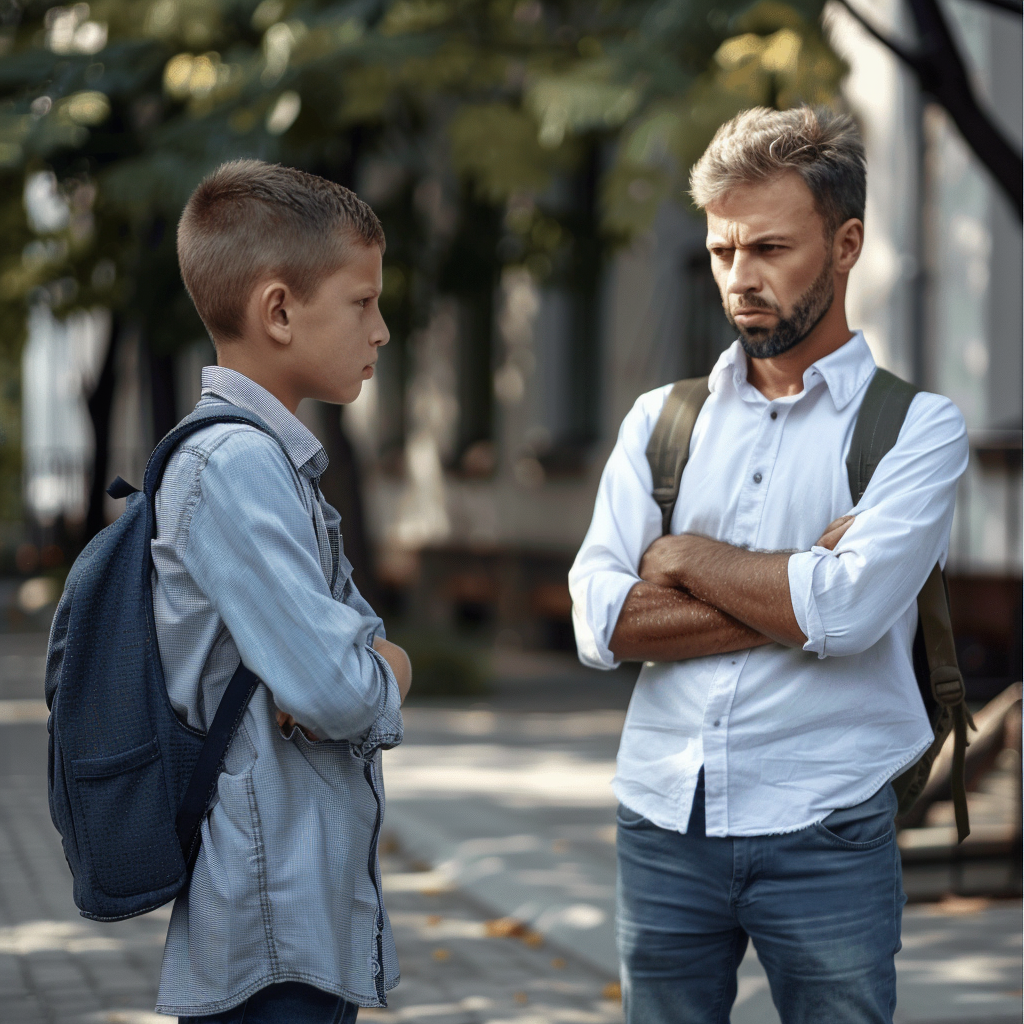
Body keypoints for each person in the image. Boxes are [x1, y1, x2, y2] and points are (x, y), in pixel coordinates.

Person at [569, 106, 968, 1024]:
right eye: (720, 252)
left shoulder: (917, 428)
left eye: (769, 250)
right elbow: (603, 622)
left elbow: (850, 615)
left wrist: (683, 558)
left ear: (846, 243)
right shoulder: (660, 422)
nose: (739, 280)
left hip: (828, 819)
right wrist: (795, 583)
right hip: (664, 817)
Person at [150, 160, 412, 1023]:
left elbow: (337, 664)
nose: (380, 330)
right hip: (269, 921)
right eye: (362, 302)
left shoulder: (273, 461)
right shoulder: (236, 466)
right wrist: (386, 667)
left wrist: (357, 661)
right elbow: (339, 686)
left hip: (299, 911)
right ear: (278, 310)